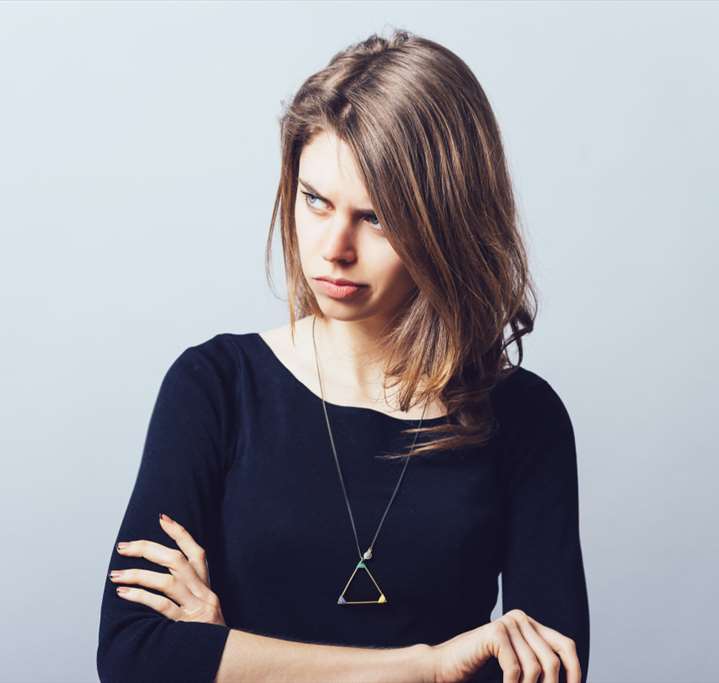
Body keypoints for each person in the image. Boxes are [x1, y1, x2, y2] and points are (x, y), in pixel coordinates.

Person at [97, 29, 589, 683]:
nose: (334, 248)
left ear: (446, 223)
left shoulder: (525, 419)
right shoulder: (214, 387)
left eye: (376, 217)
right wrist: (427, 668)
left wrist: (226, 653)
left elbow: (548, 671)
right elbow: (135, 656)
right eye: (316, 201)